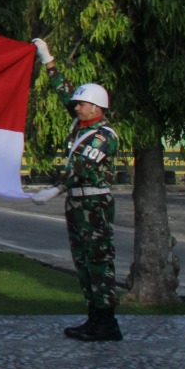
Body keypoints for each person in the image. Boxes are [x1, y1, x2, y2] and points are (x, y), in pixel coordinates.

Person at [30, 38, 121, 342]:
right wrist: (49, 62)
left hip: (95, 204)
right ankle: (93, 318)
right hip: (77, 204)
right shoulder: (80, 126)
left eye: (81, 105)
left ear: (96, 107)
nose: (76, 107)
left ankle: (107, 322)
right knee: (82, 262)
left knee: (99, 262)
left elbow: (82, 167)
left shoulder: (104, 136)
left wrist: (55, 189)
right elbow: (65, 92)